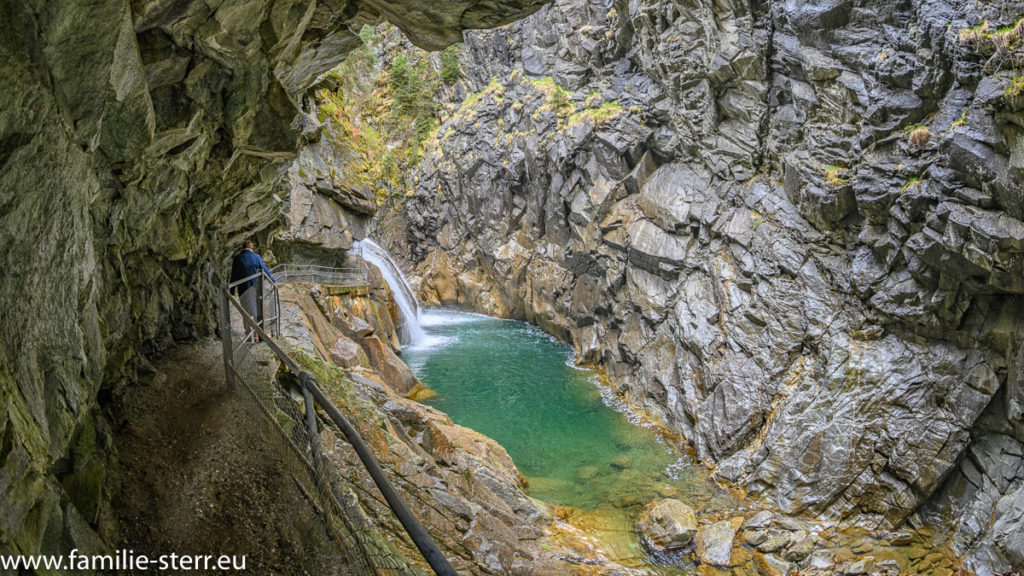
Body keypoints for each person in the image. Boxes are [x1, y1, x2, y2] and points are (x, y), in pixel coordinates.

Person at [230, 240, 275, 340]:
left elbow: (234, 275)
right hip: (256, 288)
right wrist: (272, 280)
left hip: (243, 288)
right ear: (251, 248)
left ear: (243, 248)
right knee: (257, 312)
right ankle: (258, 333)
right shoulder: (256, 257)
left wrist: (232, 290)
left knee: (244, 312)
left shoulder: (237, 259)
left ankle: (248, 334)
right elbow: (264, 270)